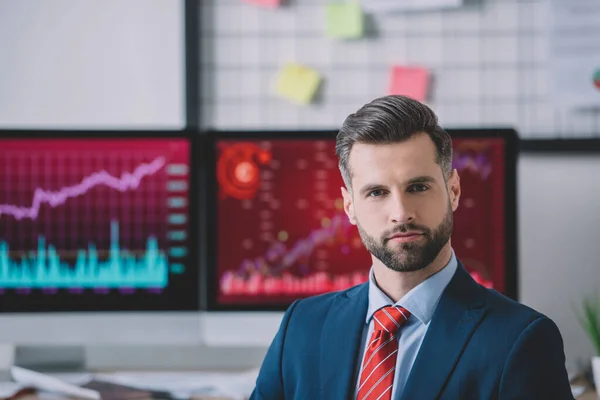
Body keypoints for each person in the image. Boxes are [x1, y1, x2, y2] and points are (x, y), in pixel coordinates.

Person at [249, 95, 573, 400]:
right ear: (349, 205)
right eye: (376, 192)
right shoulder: (302, 325)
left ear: (454, 190)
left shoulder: (522, 340)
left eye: (417, 187)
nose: (401, 213)